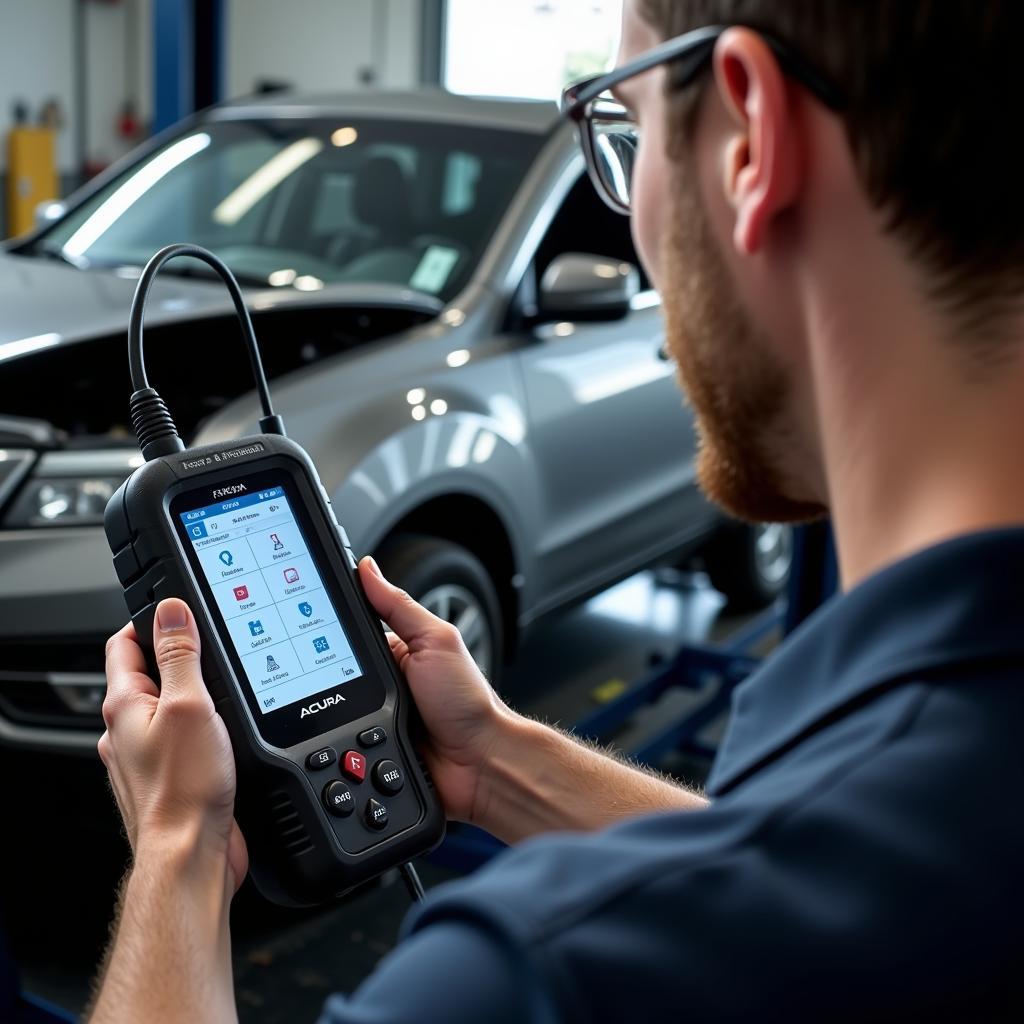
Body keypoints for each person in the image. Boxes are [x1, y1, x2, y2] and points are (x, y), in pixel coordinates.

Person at [89, 1, 1024, 1020]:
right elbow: (823, 878)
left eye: (623, 131)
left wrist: (179, 848)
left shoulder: (530, 978)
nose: (629, 221)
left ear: (749, 139)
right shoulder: (931, 792)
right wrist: (491, 758)